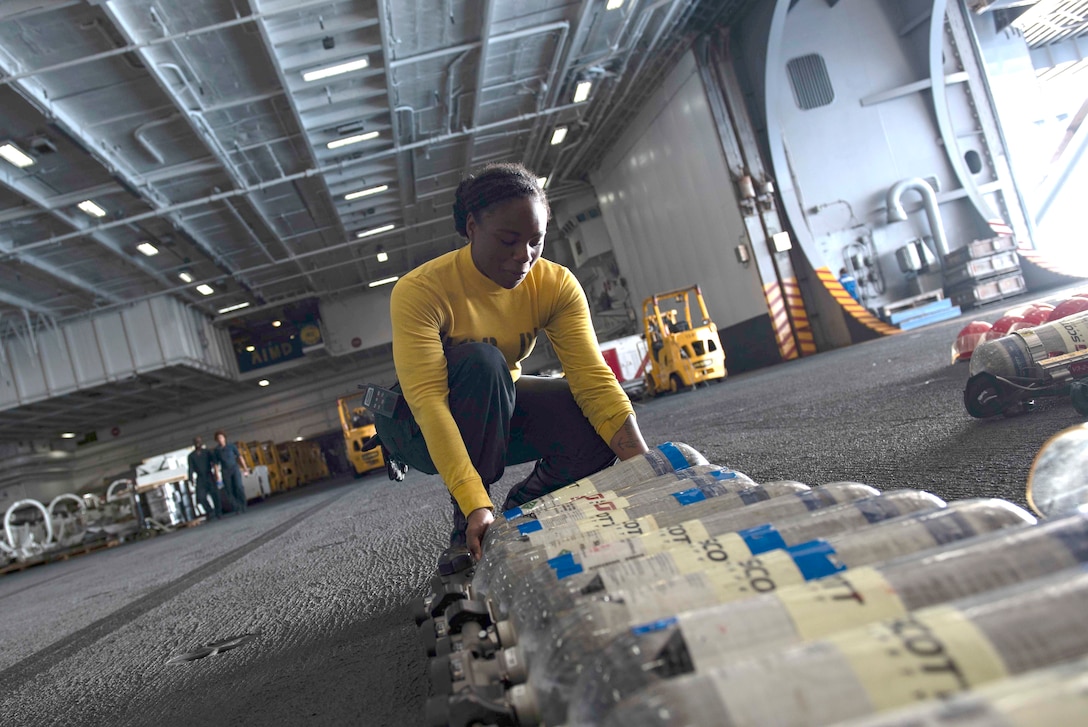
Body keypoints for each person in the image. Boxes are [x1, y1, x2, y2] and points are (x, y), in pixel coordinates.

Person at [375, 162, 650, 561]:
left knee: (591, 420)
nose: (524, 256)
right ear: (471, 228)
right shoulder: (421, 291)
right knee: (484, 364)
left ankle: (525, 513)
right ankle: (467, 529)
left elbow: (594, 381)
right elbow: (430, 403)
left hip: (496, 409)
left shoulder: (554, 285)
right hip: (415, 427)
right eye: (508, 240)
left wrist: (645, 467)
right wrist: (474, 504)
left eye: (536, 241)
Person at [213, 430, 250, 515]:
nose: (220, 440)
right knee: (229, 490)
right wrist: (217, 476)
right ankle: (237, 507)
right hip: (225, 472)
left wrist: (245, 468)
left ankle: (243, 505)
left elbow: (239, 457)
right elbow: (216, 464)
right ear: (216, 440)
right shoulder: (216, 451)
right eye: (218, 438)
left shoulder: (231, 446)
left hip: (234, 469)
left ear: (224, 438)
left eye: (221, 437)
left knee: (239, 487)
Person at [188, 435, 222, 521]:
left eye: (199, 442)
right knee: (201, 497)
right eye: (196, 442)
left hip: (209, 475)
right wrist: (191, 479)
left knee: (215, 495)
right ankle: (210, 511)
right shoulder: (191, 456)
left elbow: (214, 462)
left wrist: (217, 474)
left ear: (201, 443)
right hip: (200, 478)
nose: (198, 443)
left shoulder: (207, 452)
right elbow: (191, 468)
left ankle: (218, 512)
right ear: (194, 444)